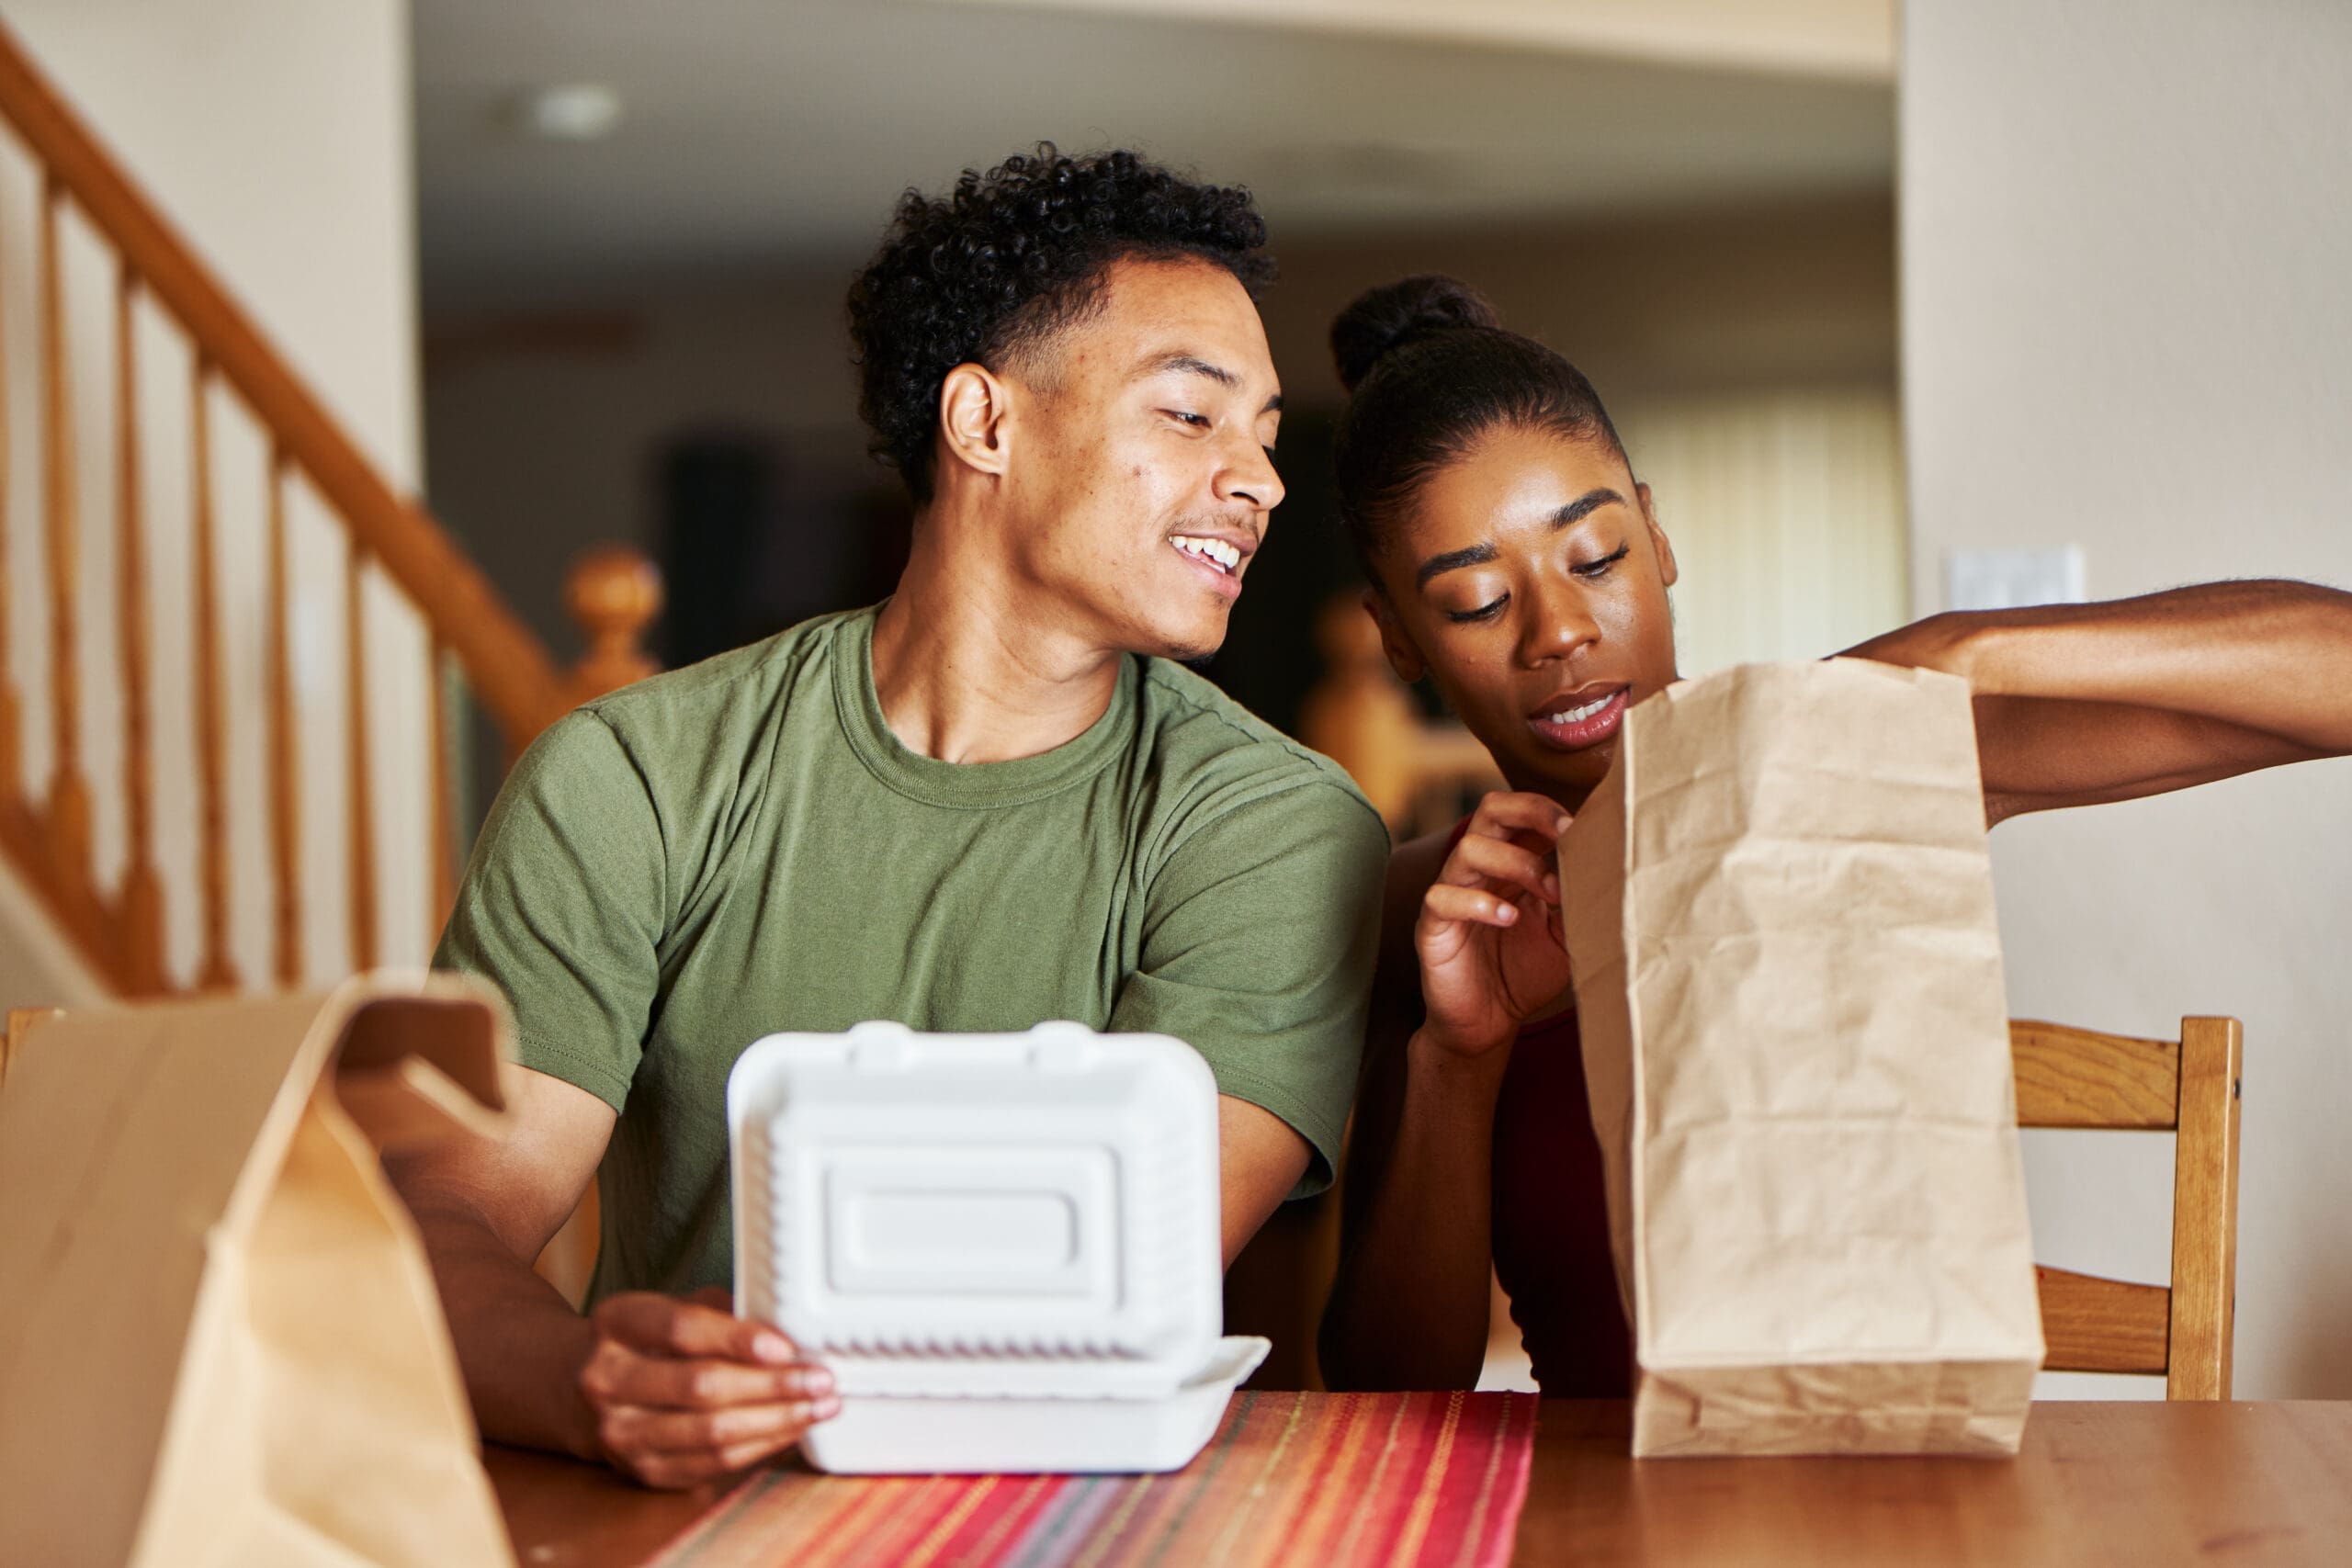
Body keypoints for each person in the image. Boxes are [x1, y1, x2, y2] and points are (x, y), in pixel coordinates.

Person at [391, 146, 1388, 1488]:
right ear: (983, 423)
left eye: (1265, 435)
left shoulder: (1277, 825)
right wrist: (582, 1379)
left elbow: (1118, 1272)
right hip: (691, 1511)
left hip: (1087, 1507)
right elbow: (442, 1211)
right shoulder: (631, 773)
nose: (1260, 480)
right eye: (1193, 416)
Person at [1314, 275, 2352, 1395]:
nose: (1560, 631)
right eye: (1474, 603)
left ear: (1658, 537)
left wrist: (1971, 654)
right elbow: (1388, 1390)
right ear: (1400, 640)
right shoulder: (1421, 916)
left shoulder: (1839, 762)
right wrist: (1458, 1058)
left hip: (1898, 1503)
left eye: (1598, 557)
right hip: (1604, 1523)